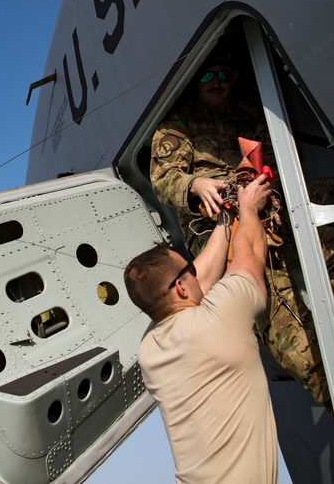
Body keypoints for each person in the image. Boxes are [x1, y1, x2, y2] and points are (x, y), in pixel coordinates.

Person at [150, 47, 334, 440]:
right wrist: (196, 184)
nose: (216, 83)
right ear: (196, 84)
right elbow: (164, 178)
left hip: (263, 203)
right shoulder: (178, 126)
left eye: (223, 75)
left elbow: (273, 156)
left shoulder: (247, 114)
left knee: (328, 192)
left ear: (233, 79)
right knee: (274, 304)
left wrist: (266, 185)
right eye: (207, 77)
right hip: (222, 223)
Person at [125, 176, 278, 484]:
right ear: (181, 287)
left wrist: (226, 218)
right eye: (188, 270)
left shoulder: (150, 350)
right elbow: (250, 251)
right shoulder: (220, 317)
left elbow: (201, 281)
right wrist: (248, 208)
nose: (196, 272)